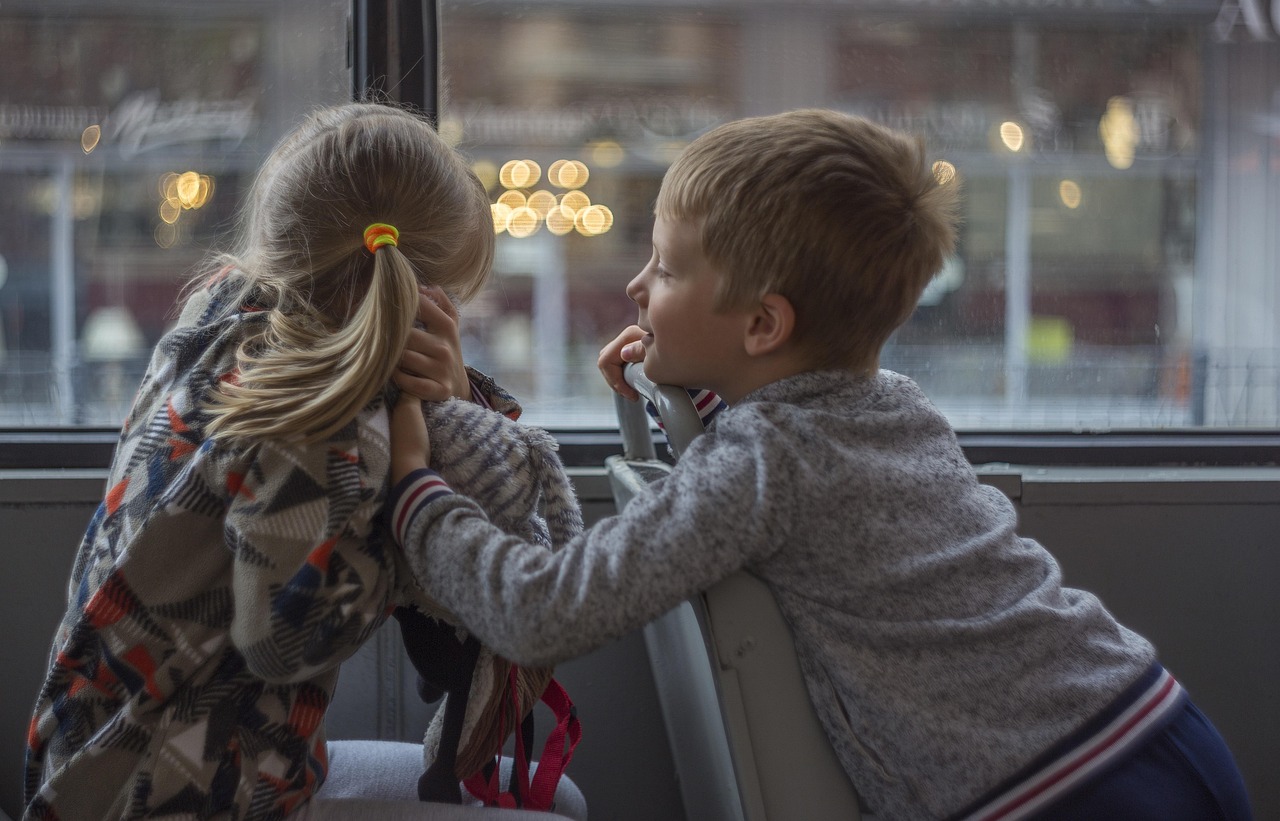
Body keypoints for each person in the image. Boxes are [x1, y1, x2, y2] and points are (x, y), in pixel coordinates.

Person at [387, 109, 1253, 820]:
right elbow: (759, 462)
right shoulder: (886, 402)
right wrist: (657, 399)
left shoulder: (768, 462)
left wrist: (418, 496)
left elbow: (545, 611)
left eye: (667, 268)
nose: (637, 288)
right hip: (1149, 723)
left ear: (763, 326)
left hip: (1070, 788)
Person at [23, 102, 585, 821]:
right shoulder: (323, 418)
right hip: (183, 793)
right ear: (419, 307)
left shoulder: (219, 319)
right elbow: (284, 641)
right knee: (558, 810)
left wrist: (448, 407)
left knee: (551, 795)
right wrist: (414, 500)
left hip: (94, 755)